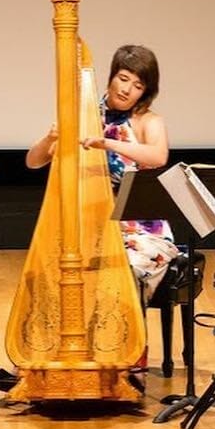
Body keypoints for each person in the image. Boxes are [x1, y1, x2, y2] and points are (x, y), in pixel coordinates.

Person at [26, 44, 179, 300]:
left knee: (121, 269)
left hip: (139, 229)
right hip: (88, 226)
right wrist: (49, 138)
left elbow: (158, 156)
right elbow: (33, 162)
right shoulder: (85, 115)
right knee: (50, 269)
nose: (127, 89)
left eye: (138, 86)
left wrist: (106, 142)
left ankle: (126, 336)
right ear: (111, 76)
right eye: (123, 79)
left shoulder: (148, 121)